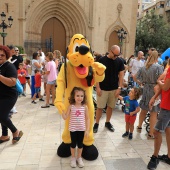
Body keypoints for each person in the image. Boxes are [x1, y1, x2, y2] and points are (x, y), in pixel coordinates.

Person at [93, 45, 124, 133]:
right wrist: (98, 87)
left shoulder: (119, 61)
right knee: (99, 107)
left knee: (110, 107)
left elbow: (121, 75)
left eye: (118, 55)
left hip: (114, 89)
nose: (116, 57)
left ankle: (107, 122)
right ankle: (97, 123)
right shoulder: (102, 60)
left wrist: (119, 88)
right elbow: (96, 74)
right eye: (115, 55)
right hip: (102, 88)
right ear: (110, 51)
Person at [135, 51, 163, 139]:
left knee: (143, 109)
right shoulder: (158, 67)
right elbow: (160, 79)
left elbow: (135, 77)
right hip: (155, 90)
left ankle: (139, 126)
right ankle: (151, 133)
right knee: (153, 112)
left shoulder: (144, 67)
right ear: (157, 57)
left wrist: (141, 83)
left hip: (146, 88)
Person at [147, 67, 170, 170]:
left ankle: (155, 157)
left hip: (167, 106)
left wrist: (158, 81)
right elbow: (165, 86)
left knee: (156, 131)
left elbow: (165, 87)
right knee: (168, 129)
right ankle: (169, 156)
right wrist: (154, 96)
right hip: (166, 104)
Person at [0, 45, 23, 144]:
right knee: (2, 114)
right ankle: (5, 135)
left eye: (2, 55)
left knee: (1, 115)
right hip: (1, 95)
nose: (0, 56)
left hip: (9, 96)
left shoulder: (9, 66)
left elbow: (12, 82)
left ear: (6, 56)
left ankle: (15, 131)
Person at [62, 87, 90, 168]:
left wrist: (87, 130)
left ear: (84, 97)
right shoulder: (71, 106)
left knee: (80, 144)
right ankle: (73, 158)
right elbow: (65, 117)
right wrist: (62, 111)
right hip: (73, 129)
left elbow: (88, 118)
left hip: (81, 129)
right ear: (73, 96)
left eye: (82, 96)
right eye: (77, 95)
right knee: (73, 144)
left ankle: (79, 158)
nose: (79, 98)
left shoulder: (85, 107)